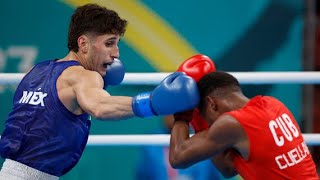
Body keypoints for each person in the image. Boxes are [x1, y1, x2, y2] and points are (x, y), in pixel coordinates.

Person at [0, 3, 200, 179]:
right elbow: (100, 107)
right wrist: (152, 103)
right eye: (109, 43)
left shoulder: (38, 70)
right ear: (83, 44)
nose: (116, 53)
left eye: (117, 44)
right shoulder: (84, 76)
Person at [169, 71, 319, 179]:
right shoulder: (274, 105)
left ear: (211, 103)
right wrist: (200, 121)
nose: (210, 125)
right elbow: (227, 169)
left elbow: (177, 157)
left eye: (206, 118)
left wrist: (182, 113)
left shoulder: (232, 123)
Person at [135, 115, 223, 180]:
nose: (173, 115)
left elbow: (214, 175)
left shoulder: (203, 139)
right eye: (169, 110)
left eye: (178, 110)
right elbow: (143, 174)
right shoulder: (151, 143)